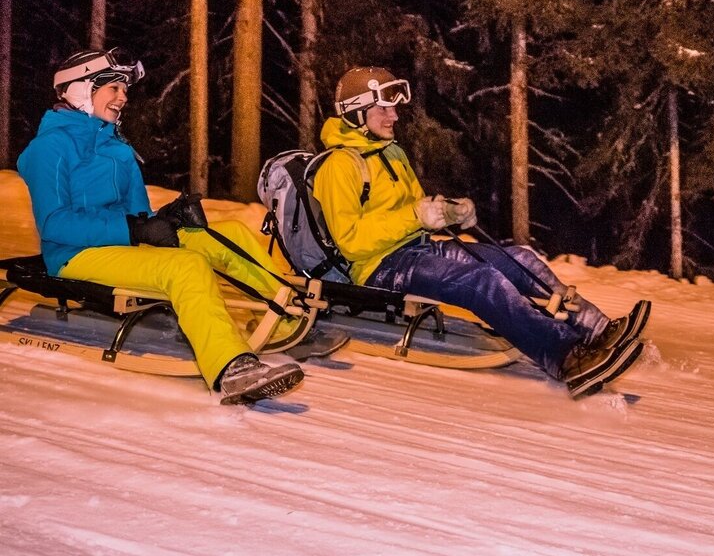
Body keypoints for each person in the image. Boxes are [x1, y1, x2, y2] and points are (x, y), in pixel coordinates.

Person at [313, 66, 650, 398]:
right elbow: (350, 242)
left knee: (519, 259)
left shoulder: (391, 152)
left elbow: (413, 209)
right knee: (480, 280)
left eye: (394, 108)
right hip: (379, 267)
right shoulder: (339, 166)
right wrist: (415, 216)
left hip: (418, 248)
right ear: (356, 112)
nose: (395, 116)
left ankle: (597, 329)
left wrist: (449, 212)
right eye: (384, 109)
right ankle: (565, 358)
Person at [16, 48, 329, 404]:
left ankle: (288, 316)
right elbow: (54, 224)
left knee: (230, 234)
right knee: (185, 267)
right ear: (80, 89)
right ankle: (231, 368)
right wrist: (134, 230)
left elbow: (138, 213)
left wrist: (167, 219)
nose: (123, 97)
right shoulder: (49, 148)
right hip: (75, 254)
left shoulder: (117, 148)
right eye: (114, 88)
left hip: (121, 244)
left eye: (125, 90)